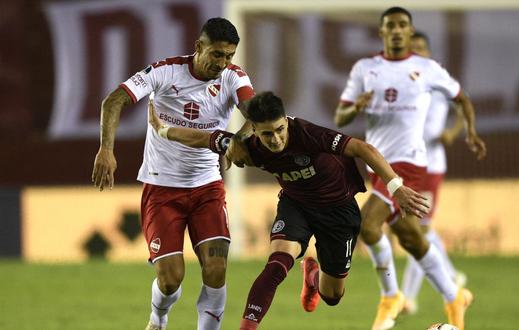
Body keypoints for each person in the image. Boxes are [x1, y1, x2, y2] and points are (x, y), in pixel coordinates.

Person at [147, 91, 429, 330]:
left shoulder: (307, 134)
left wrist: (397, 188)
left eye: (280, 129)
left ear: (286, 121)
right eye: (267, 133)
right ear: (254, 130)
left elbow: (363, 149)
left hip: (339, 211)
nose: (276, 139)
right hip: (296, 205)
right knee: (276, 266)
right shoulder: (247, 148)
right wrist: (162, 129)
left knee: (332, 295)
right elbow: (203, 138)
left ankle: (312, 275)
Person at [91, 17, 255, 330]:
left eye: (229, 56)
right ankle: (158, 319)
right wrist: (106, 149)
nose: (223, 63)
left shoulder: (234, 78)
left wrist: (239, 142)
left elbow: (256, 116)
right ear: (199, 47)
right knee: (170, 279)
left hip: (207, 187)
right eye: (217, 54)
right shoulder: (165, 71)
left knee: (217, 268)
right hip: (162, 189)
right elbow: (113, 101)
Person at [334, 7, 486, 330]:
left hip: (411, 162)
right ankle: (453, 294)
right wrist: (354, 107)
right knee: (412, 238)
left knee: (368, 225)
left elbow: (462, 99)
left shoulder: (426, 68)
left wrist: (470, 131)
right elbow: (339, 117)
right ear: (381, 32)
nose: (397, 30)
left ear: (410, 30)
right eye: (391, 26)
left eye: (403, 25)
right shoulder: (366, 68)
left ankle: (391, 296)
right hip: (378, 162)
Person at [400, 31, 468, 315]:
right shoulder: (399, 80)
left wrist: (452, 132)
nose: (416, 53)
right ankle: (452, 277)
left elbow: (464, 105)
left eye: (420, 48)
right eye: (411, 49)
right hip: (406, 162)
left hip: (431, 165)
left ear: (427, 51)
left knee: (419, 229)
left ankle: (407, 298)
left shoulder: (438, 78)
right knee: (419, 226)